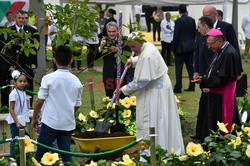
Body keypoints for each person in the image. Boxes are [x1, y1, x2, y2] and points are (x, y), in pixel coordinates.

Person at [120, 32, 184, 158]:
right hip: (158, 86)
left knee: (155, 119)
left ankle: (155, 152)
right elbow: (143, 57)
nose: (132, 50)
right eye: (131, 48)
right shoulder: (147, 46)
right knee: (160, 118)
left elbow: (141, 81)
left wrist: (124, 90)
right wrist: (133, 60)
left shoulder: (147, 55)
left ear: (139, 42)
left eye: (133, 47)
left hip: (156, 91)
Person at [31, 45, 83, 162]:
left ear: (54, 60)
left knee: (40, 153)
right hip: (67, 123)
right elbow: (78, 104)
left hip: (50, 123)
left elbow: (39, 101)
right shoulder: (77, 81)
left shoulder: (48, 78)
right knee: (66, 153)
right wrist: (67, 112)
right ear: (71, 61)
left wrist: (34, 118)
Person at [192, 29, 241, 141]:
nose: (209, 47)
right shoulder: (222, 50)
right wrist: (204, 78)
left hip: (221, 95)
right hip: (215, 92)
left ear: (219, 41)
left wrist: (203, 81)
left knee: (217, 121)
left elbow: (223, 79)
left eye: (211, 44)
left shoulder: (229, 53)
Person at [8, 10, 40, 107]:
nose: (22, 20)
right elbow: (8, 50)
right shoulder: (10, 31)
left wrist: (35, 66)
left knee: (29, 86)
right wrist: (11, 65)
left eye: (24, 18)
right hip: (15, 64)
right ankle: (17, 107)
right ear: (15, 18)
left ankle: (29, 107)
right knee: (16, 87)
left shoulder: (31, 31)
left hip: (28, 64)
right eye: (20, 18)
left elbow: (35, 51)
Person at [97, 21, 133, 98]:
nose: (111, 34)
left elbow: (131, 54)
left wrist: (119, 50)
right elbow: (95, 57)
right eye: (109, 32)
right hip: (108, 73)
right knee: (109, 96)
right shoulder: (103, 41)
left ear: (118, 31)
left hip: (123, 73)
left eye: (114, 31)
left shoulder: (124, 40)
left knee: (123, 96)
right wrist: (101, 47)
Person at [172, 4, 196, 93]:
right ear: (186, 10)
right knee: (190, 67)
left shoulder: (178, 21)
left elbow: (176, 36)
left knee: (179, 68)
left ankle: (178, 87)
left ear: (179, 11)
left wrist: (173, 49)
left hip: (180, 47)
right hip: (190, 47)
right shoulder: (192, 20)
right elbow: (194, 34)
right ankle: (192, 85)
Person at [6, 70, 30, 157]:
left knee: (22, 140)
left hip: (22, 120)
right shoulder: (13, 94)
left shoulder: (23, 92)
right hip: (15, 121)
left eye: (24, 81)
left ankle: (21, 157)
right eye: (20, 81)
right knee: (15, 140)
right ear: (14, 82)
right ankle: (13, 159)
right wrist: (16, 121)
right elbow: (11, 109)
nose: (23, 83)